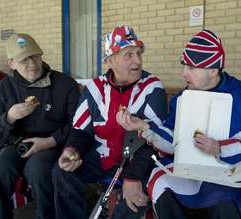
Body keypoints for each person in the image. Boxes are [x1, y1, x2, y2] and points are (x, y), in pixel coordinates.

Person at [116, 29, 241, 219]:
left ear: (213, 70)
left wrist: (220, 148)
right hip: (189, 170)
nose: (184, 74)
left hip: (228, 172)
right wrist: (143, 126)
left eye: (191, 68)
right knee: (161, 184)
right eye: (184, 66)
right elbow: (173, 140)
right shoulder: (181, 99)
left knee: (227, 201)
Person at [52, 25, 168, 219]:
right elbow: (81, 130)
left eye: (139, 53)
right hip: (101, 158)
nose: (137, 60)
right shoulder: (95, 88)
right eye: (128, 54)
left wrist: (133, 176)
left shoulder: (151, 88)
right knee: (62, 171)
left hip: (139, 161)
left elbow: (155, 142)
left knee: (133, 202)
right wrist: (71, 150)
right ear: (110, 60)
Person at [0, 33, 80, 219]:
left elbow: (77, 124)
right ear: (11, 63)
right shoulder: (2, 89)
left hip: (51, 143)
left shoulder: (65, 84)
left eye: (35, 56)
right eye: (24, 60)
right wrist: (9, 117)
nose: (33, 64)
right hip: (15, 144)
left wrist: (49, 141)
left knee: (39, 172)